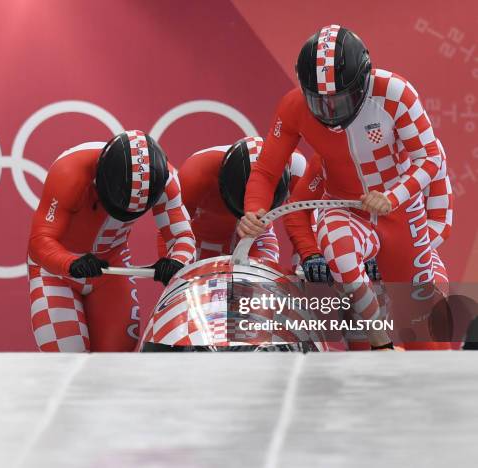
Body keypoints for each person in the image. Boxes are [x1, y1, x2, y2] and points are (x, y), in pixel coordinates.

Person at [238, 25, 444, 348]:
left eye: (340, 101)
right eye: (318, 103)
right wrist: (253, 211)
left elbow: (430, 158)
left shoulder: (397, 94)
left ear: (363, 83)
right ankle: (380, 343)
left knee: (422, 333)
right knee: (338, 247)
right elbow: (266, 170)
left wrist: (393, 196)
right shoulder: (293, 108)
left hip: (402, 216)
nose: (330, 113)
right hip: (346, 210)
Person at [27, 130, 196, 352]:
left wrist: (175, 262)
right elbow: (40, 241)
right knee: (67, 361)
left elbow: (182, 236)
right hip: (57, 273)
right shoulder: (70, 171)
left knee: (116, 361)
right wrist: (70, 263)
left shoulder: (167, 179)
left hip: (111, 268)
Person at [284, 142, 453, 350]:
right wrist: (312, 254)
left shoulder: (427, 152)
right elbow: (297, 208)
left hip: (413, 252)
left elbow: (440, 223)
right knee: (358, 310)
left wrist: (391, 254)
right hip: (359, 255)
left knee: (431, 304)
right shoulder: (331, 152)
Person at [162, 136, 305, 267]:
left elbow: (305, 219)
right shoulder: (195, 173)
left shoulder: (296, 165)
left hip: (255, 237)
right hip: (200, 243)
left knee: (259, 288)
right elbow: (170, 230)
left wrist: (307, 259)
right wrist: (173, 267)